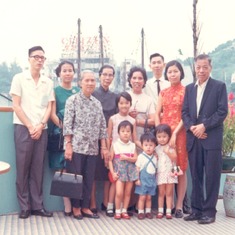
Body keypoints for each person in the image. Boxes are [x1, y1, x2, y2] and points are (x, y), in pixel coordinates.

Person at [182, 54, 228, 224]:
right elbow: (185, 112)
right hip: (194, 139)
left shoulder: (219, 86)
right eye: (198, 67)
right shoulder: (189, 88)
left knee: (212, 176)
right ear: (195, 68)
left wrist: (204, 126)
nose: (201, 70)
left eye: (204, 67)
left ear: (210, 68)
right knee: (195, 175)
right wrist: (192, 128)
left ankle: (209, 212)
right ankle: (196, 209)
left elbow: (222, 112)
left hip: (211, 139)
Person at [9, 46, 54, 219]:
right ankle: (24, 206)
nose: (40, 60)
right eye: (36, 57)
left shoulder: (47, 82)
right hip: (23, 128)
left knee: (38, 169)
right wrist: (30, 126)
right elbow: (16, 105)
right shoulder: (19, 78)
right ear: (29, 59)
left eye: (43, 57)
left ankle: (37, 205)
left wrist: (41, 124)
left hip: (41, 128)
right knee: (22, 168)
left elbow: (49, 105)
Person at [63, 70, 108, 220]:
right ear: (80, 82)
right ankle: (76, 208)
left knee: (89, 178)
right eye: (87, 80)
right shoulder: (73, 100)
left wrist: (103, 146)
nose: (90, 83)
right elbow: (67, 125)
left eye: (92, 81)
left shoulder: (97, 103)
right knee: (76, 177)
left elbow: (102, 127)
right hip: (76, 147)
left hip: (92, 148)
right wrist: (68, 145)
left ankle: (85, 206)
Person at [155, 60, 188, 218]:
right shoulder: (163, 92)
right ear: (166, 74)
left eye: (175, 71)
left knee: (179, 168)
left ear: (181, 72)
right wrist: (158, 132)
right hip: (163, 135)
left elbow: (186, 115)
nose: (173, 74)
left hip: (180, 134)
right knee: (164, 166)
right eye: (170, 72)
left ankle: (179, 206)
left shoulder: (187, 91)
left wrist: (175, 133)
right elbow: (157, 113)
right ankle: (168, 205)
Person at [48, 60, 79, 216]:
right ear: (59, 73)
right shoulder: (55, 91)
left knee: (75, 167)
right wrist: (63, 126)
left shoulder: (79, 90)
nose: (67, 73)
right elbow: (52, 113)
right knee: (62, 167)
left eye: (70, 70)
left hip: (77, 134)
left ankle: (76, 203)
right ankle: (67, 204)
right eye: (64, 70)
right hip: (59, 133)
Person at [106, 92, 139, 216]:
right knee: (114, 182)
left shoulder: (132, 120)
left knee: (126, 186)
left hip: (128, 153)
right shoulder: (113, 118)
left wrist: (149, 149)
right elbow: (108, 136)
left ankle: (122, 209)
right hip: (115, 153)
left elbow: (135, 139)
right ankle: (110, 206)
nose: (124, 105)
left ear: (130, 104)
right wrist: (107, 151)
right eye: (121, 103)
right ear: (117, 104)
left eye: (126, 103)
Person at [90, 65, 117, 215]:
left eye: (110, 75)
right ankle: (92, 202)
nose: (107, 78)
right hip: (93, 138)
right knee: (93, 172)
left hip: (110, 138)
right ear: (99, 76)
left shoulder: (115, 96)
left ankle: (106, 202)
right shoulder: (92, 94)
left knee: (108, 170)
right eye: (104, 74)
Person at [109, 120, 138, 220]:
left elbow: (135, 158)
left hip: (130, 172)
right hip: (119, 173)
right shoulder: (115, 145)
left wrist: (127, 158)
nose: (125, 133)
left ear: (131, 133)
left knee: (128, 192)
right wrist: (113, 173)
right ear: (118, 132)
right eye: (123, 131)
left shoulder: (132, 145)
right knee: (119, 192)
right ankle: (117, 211)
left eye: (128, 131)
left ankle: (124, 210)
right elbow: (110, 160)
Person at [155, 124, 177, 220]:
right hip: (160, 172)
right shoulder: (156, 148)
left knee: (169, 193)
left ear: (169, 136)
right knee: (161, 193)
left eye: (164, 136)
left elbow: (175, 158)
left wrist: (168, 152)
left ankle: (168, 211)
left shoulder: (171, 147)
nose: (162, 139)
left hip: (170, 172)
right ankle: (160, 211)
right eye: (159, 137)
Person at [135, 133, 157, 220]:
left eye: (151, 145)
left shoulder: (155, 157)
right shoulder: (141, 156)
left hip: (152, 181)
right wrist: (137, 179)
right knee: (142, 197)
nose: (148, 147)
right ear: (142, 145)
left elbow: (156, 170)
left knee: (149, 197)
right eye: (146, 145)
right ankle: (140, 212)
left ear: (155, 146)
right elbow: (137, 168)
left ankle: (148, 211)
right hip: (142, 181)